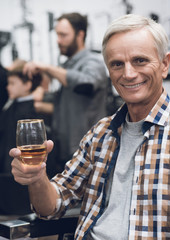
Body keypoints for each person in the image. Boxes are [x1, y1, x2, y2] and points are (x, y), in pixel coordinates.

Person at [9, 14, 170, 239]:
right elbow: (52, 206)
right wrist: (38, 178)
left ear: (164, 64)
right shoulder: (100, 134)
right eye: (117, 64)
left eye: (140, 60)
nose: (129, 74)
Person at [23, 12, 108, 171]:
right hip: (66, 150)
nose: (58, 40)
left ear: (80, 35)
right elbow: (65, 105)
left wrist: (46, 67)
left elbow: (87, 83)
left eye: (63, 35)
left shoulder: (93, 61)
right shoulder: (67, 66)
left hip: (88, 151)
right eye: (57, 35)